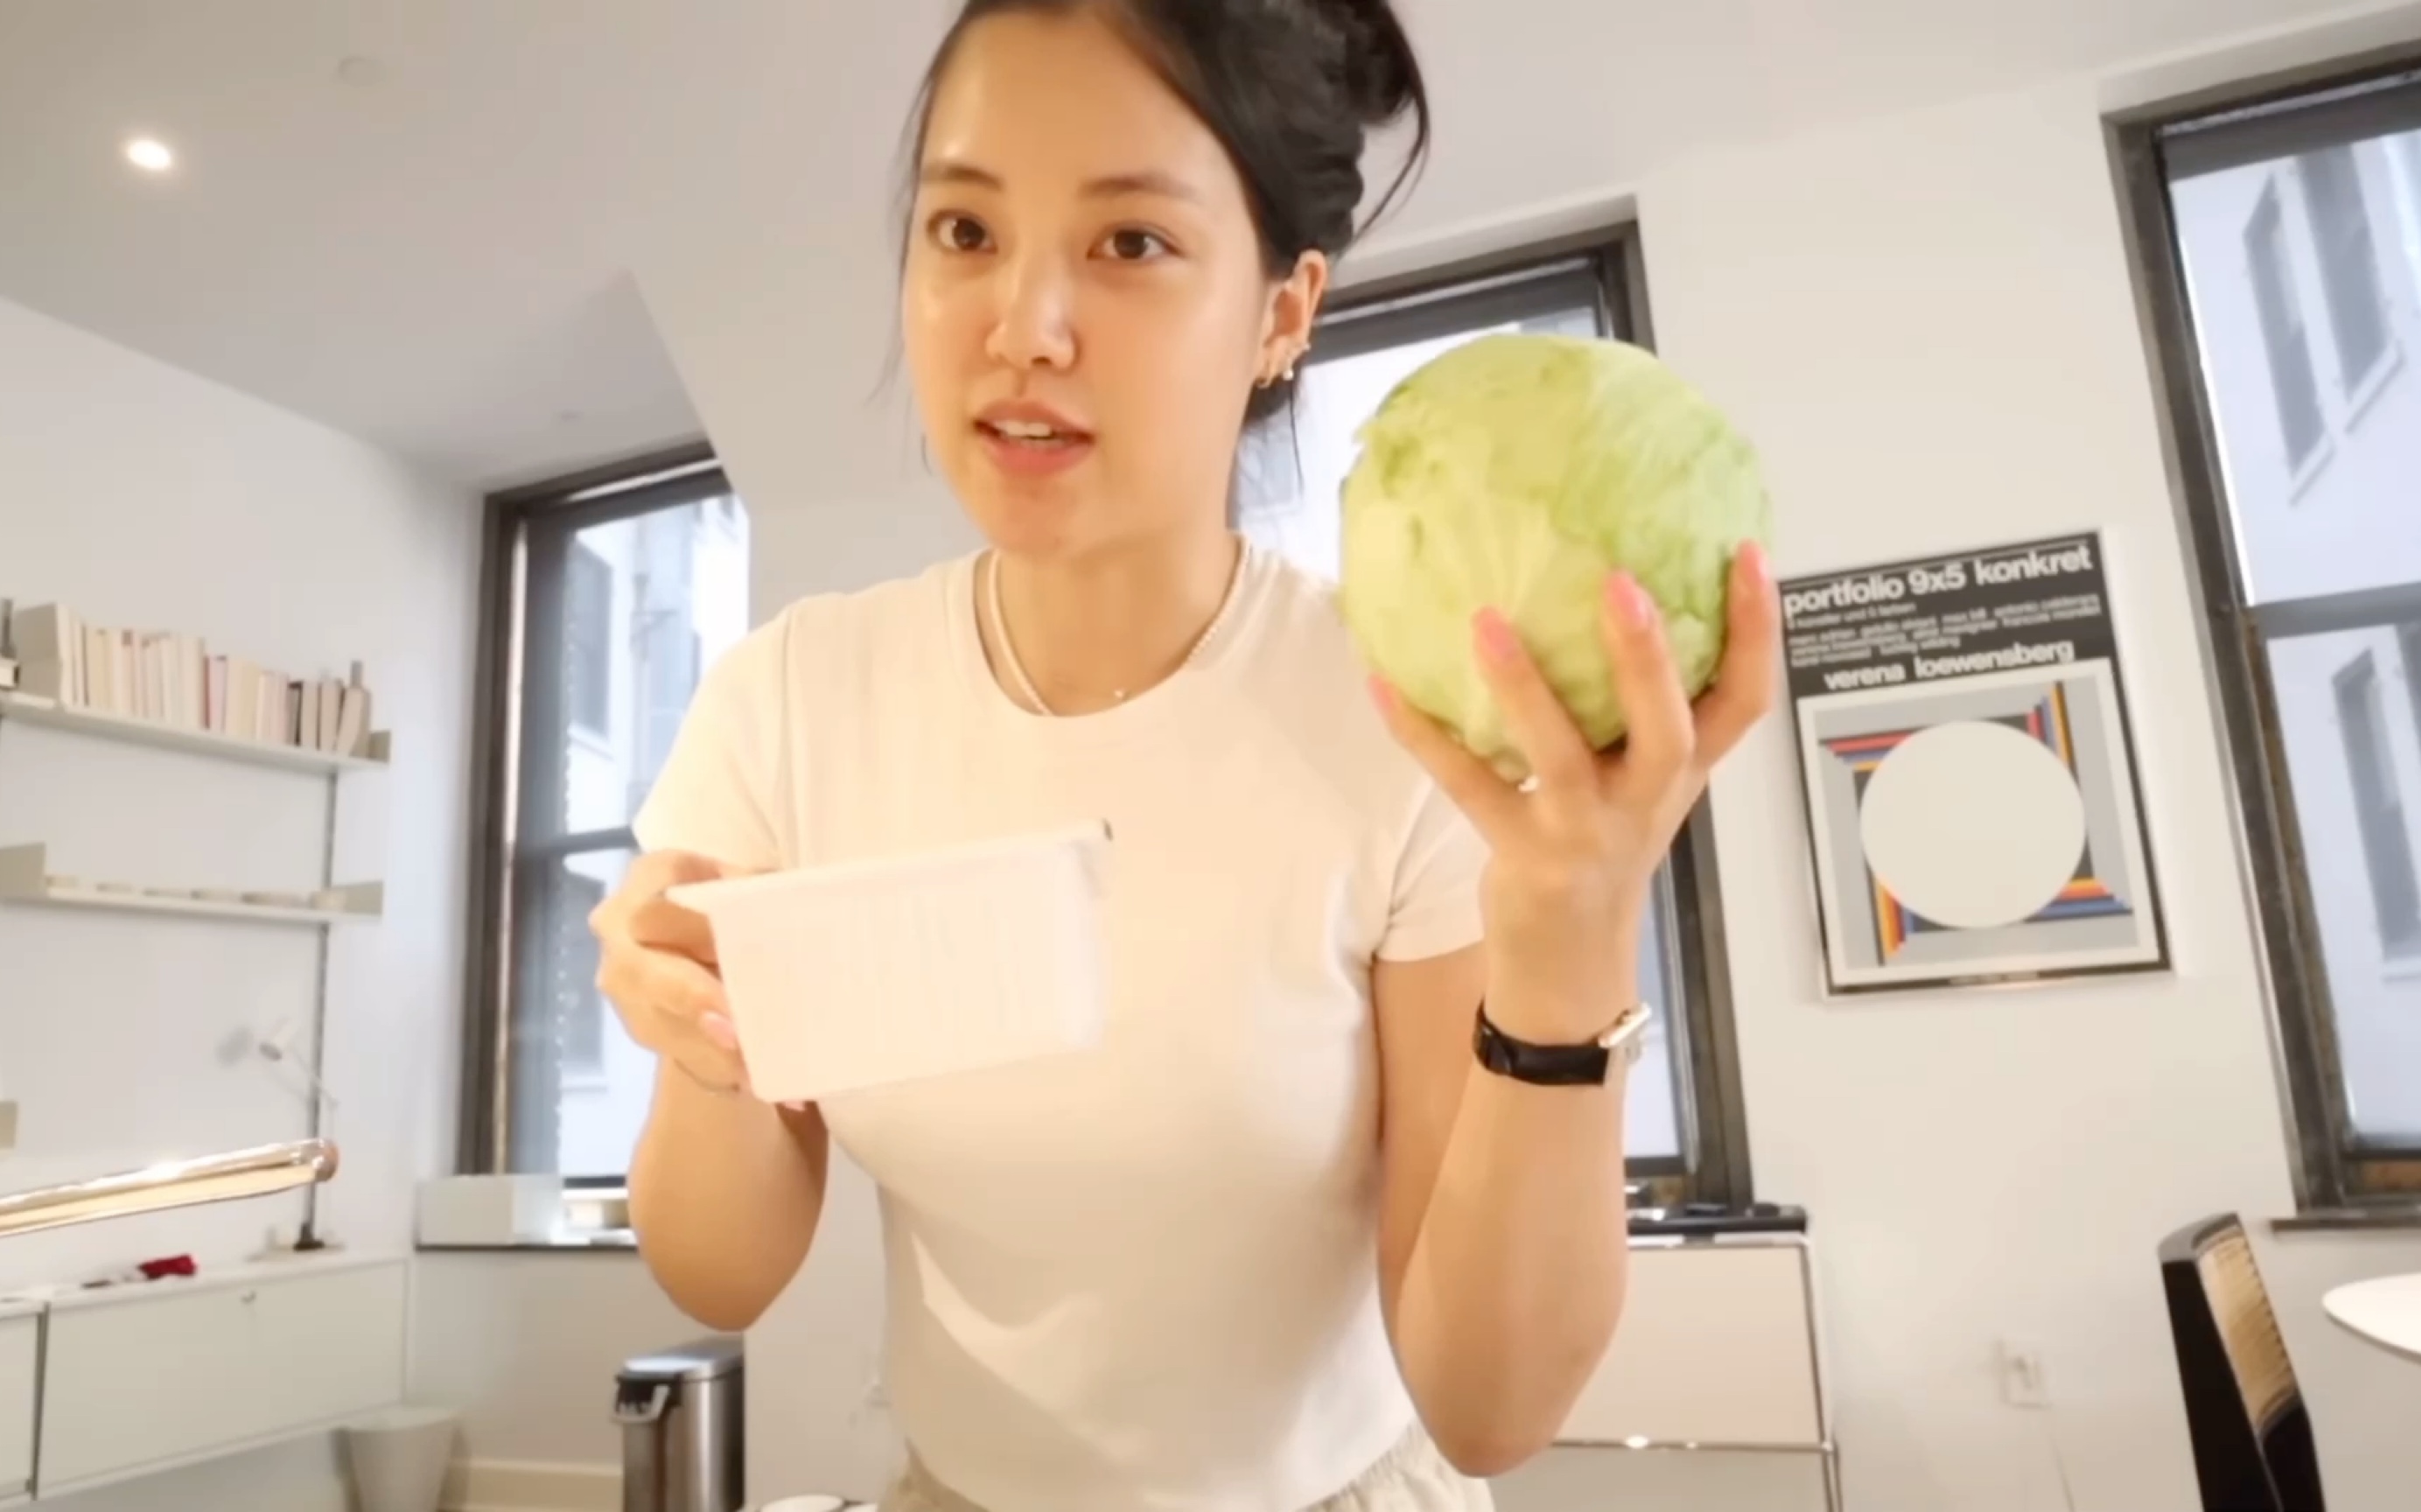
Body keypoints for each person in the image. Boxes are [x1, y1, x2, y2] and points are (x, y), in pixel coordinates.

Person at [591, 2, 1780, 1509]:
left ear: (1284, 313)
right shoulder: (790, 702)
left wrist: (1573, 944)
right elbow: (723, 1272)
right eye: (965, 230)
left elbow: (1486, 1408)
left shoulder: (1404, 718)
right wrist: (703, 1039)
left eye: (1132, 242)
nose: (1024, 325)